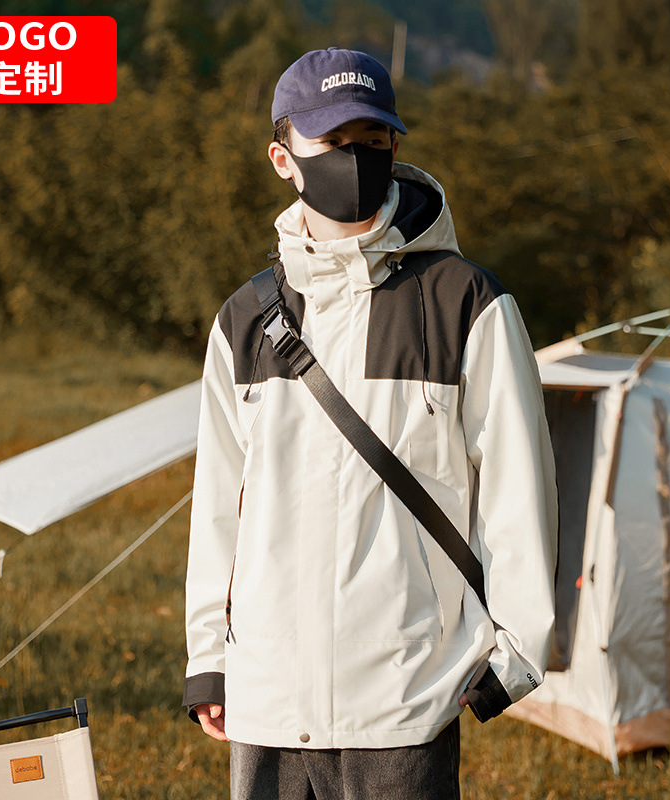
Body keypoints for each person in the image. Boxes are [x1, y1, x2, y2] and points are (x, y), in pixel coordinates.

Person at [183, 47, 558, 800]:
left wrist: (516, 653)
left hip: (405, 694)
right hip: (267, 693)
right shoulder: (244, 319)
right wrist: (209, 660)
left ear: (394, 144)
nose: (355, 157)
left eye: (373, 138)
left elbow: (520, 488)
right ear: (283, 158)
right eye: (333, 140)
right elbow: (220, 505)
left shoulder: (466, 303)